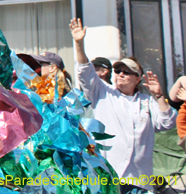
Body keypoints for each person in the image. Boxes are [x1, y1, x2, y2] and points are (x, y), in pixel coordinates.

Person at [70, 17, 176, 191]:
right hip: (108, 177)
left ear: (138, 79)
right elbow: (85, 72)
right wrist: (79, 43)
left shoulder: (147, 101)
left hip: (140, 179)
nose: (120, 74)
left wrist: (158, 95)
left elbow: (167, 122)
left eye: (127, 72)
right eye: (118, 71)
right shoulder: (104, 92)